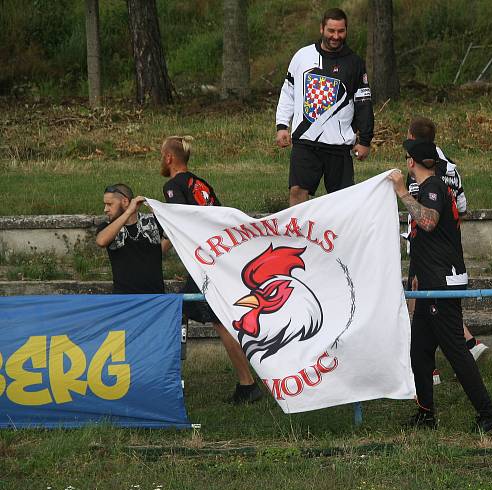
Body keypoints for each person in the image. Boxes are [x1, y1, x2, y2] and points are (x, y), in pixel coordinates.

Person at [389, 139, 492, 433]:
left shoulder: (433, 188)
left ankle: (490, 416)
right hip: (430, 283)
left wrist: (401, 191)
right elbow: (424, 239)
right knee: (420, 350)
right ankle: (426, 414)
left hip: (443, 284)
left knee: (456, 351)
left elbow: (427, 222)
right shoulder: (430, 189)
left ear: (411, 161)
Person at [160, 135, 264, 404]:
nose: (162, 160)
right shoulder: (201, 183)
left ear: (169, 158)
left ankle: (247, 383)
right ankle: (175, 378)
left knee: (220, 321)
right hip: (219, 256)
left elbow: (183, 221)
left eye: (162, 155)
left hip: (205, 263)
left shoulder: (172, 186)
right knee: (181, 310)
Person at [404, 117, 489, 363]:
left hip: (426, 248)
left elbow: (421, 213)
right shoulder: (451, 167)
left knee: (420, 306)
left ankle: (429, 367)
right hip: (449, 249)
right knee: (437, 309)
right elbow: (462, 206)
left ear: (413, 140)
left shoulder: (420, 171)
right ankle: (470, 344)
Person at [275, 7, 374, 206]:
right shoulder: (302, 56)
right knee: (297, 191)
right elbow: (288, 92)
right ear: (321, 29)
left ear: (346, 30)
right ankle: (297, 236)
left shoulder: (355, 63)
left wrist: (365, 140)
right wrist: (282, 125)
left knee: (341, 203)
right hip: (305, 142)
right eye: (331, 31)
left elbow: (363, 103)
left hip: (339, 146)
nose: (336, 36)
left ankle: (339, 237)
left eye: (341, 31)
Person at [96, 183, 167, 294]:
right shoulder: (107, 227)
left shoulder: (152, 221)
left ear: (125, 202)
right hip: (124, 299)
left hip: (154, 298)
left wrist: (157, 210)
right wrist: (129, 212)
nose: (105, 209)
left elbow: (175, 231)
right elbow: (101, 241)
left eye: (109, 204)